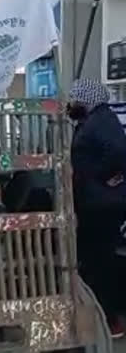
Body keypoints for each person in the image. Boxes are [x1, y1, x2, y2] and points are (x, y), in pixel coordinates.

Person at [68, 78, 126, 338]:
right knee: (93, 260)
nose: (72, 105)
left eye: (75, 100)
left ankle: (109, 321)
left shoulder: (101, 122)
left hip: (101, 205)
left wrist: (100, 177)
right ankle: (102, 315)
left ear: (88, 101)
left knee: (98, 262)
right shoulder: (93, 121)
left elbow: (120, 154)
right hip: (96, 201)